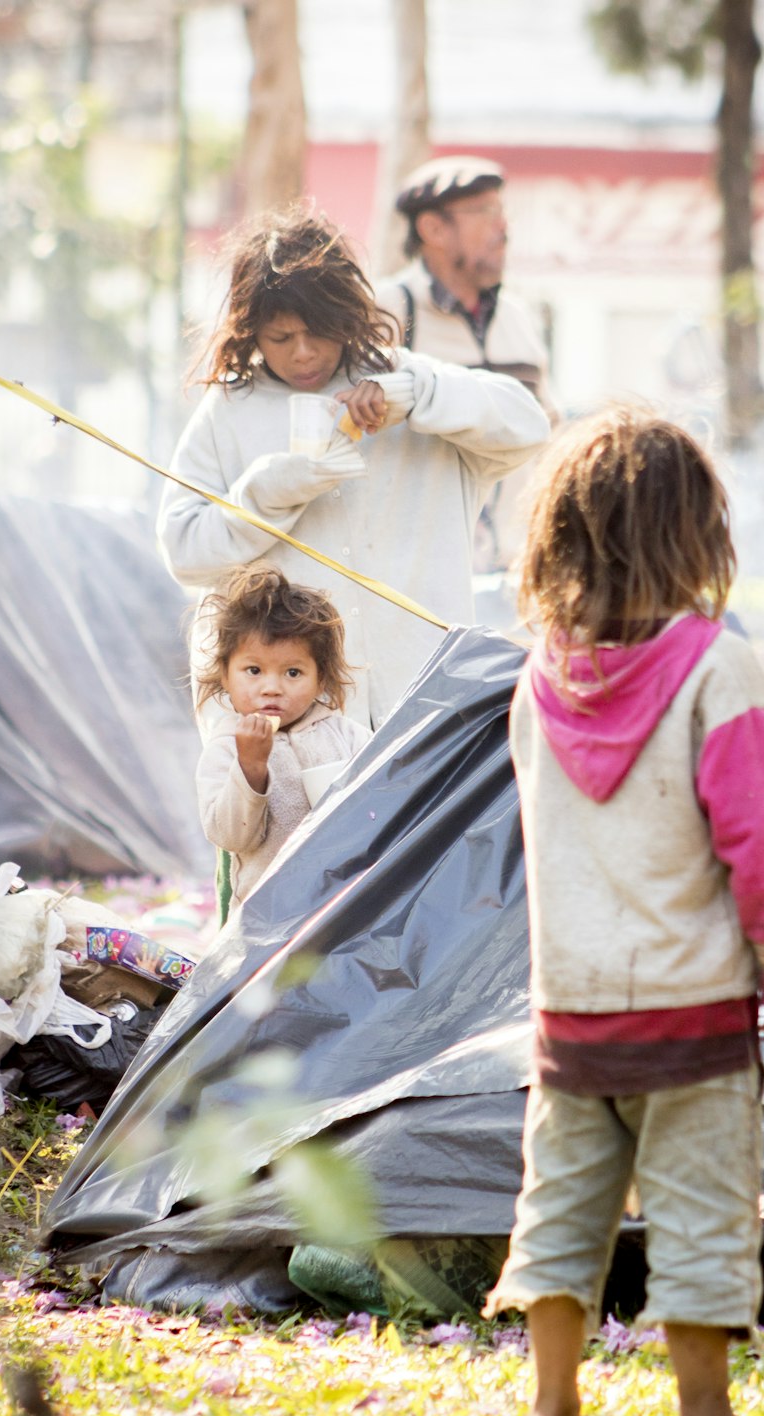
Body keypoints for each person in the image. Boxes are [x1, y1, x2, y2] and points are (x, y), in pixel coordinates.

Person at [481, 404, 764, 1416]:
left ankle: (551, 1412)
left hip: (570, 1014)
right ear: (695, 534)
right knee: (702, 1212)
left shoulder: (537, 680)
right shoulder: (718, 671)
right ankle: (705, 1415)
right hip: (691, 1017)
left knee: (558, 1211)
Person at [157, 202, 550, 732]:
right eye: (280, 338)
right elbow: (185, 551)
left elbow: (528, 424)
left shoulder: (403, 381)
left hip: (421, 708)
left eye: (318, 332)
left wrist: (413, 397)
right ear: (251, 331)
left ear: (347, 316)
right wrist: (266, 495)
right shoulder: (230, 411)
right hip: (284, 726)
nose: (302, 353)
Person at [374, 155, 556, 572]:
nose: (503, 229)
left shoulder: (517, 318)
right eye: (486, 213)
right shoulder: (388, 311)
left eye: (503, 212)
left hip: (516, 574)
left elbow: (551, 434)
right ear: (433, 228)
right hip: (420, 577)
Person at [194, 564, 371, 915]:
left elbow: (380, 805)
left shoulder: (346, 735)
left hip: (343, 910)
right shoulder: (227, 745)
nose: (272, 687)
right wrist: (250, 767)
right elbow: (230, 837)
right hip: (267, 917)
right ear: (225, 676)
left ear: (321, 679)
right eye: (254, 671)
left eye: (293, 672)